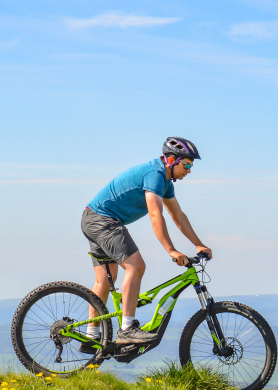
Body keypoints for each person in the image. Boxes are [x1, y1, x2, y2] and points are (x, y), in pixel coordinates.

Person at [79, 137, 212, 349]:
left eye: (191, 166)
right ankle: (127, 330)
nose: (189, 170)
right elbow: (155, 214)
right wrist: (171, 250)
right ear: (171, 160)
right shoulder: (155, 175)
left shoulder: (165, 182)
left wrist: (198, 244)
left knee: (104, 281)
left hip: (92, 218)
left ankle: (90, 338)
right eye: (186, 165)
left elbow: (178, 215)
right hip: (103, 220)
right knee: (136, 266)